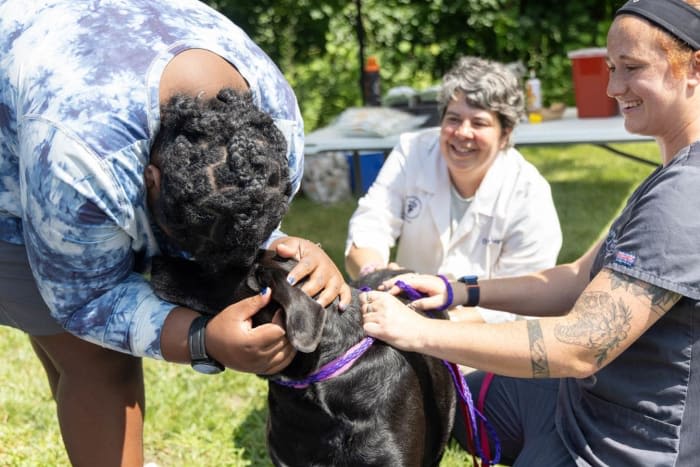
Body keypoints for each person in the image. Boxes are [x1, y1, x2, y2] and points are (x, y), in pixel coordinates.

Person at [0, 1, 350, 465]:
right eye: (178, 240)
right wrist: (202, 339)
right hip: (26, 132)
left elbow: (241, 216)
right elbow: (84, 298)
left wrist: (290, 249)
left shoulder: (278, 128)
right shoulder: (80, 161)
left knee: (75, 359)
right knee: (99, 362)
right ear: (150, 179)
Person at [359, 0, 700, 464]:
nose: (614, 87)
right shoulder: (670, 175)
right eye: (611, 67)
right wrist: (457, 291)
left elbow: (581, 346)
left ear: (694, 68)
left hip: (624, 442)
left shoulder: (685, 195)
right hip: (580, 401)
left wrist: (416, 332)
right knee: (457, 404)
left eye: (632, 68)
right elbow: (578, 278)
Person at [345, 56, 562, 324]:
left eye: (479, 123)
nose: (462, 133)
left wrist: (434, 321)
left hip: (481, 340)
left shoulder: (529, 193)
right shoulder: (413, 151)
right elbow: (370, 224)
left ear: (505, 134)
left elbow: (522, 296)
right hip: (400, 319)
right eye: (453, 119)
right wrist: (377, 274)